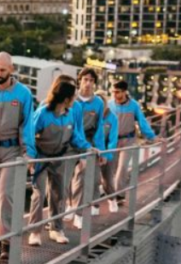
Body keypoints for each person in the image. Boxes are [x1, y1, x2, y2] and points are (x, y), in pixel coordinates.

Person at [0, 52, 35, 261]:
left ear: (11, 70)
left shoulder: (23, 94)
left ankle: (7, 241)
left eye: (2, 70)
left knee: (6, 195)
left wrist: (28, 152)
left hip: (11, 151)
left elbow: (27, 124)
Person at [28, 79, 92, 245]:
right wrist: (30, 158)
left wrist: (88, 148)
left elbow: (75, 136)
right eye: (73, 97)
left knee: (59, 194)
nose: (75, 100)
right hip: (42, 158)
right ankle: (35, 231)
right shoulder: (43, 114)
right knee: (39, 193)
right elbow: (29, 136)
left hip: (60, 158)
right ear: (66, 99)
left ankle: (56, 228)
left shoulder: (69, 113)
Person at [70, 68, 118, 228]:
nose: (88, 83)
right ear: (80, 81)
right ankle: (69, 206)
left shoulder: (97, 102)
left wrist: (101, 151)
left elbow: (99, 129)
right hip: (70, 141)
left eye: (91, 80)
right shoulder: (72, 99)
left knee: (82, 177)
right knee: (64, 178)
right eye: (85, 79)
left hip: (88, 142)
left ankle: (78, 213)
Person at [107, 80, 158, 206]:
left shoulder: (134, 105)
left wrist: (152, 136)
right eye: (113, 91)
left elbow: (142, 122)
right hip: (112, 141)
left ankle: (119, 195)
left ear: (124, 92)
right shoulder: (109, 105)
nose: (114, 94)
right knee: (110, 169)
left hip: (128, 140)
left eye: (117, 92)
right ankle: (110, 195)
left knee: (122, 168)